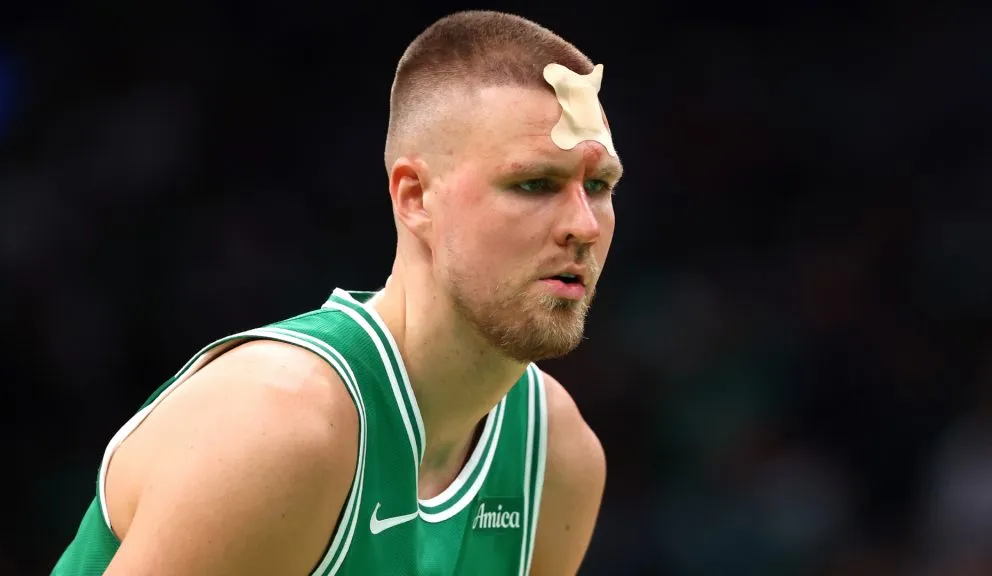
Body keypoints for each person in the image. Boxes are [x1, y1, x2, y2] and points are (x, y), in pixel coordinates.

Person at [53, 9, 623, 575]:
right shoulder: (279, 427)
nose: (584, 225)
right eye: (534, 183)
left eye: (598, 186)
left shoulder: (557, 458)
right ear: (416, 198)